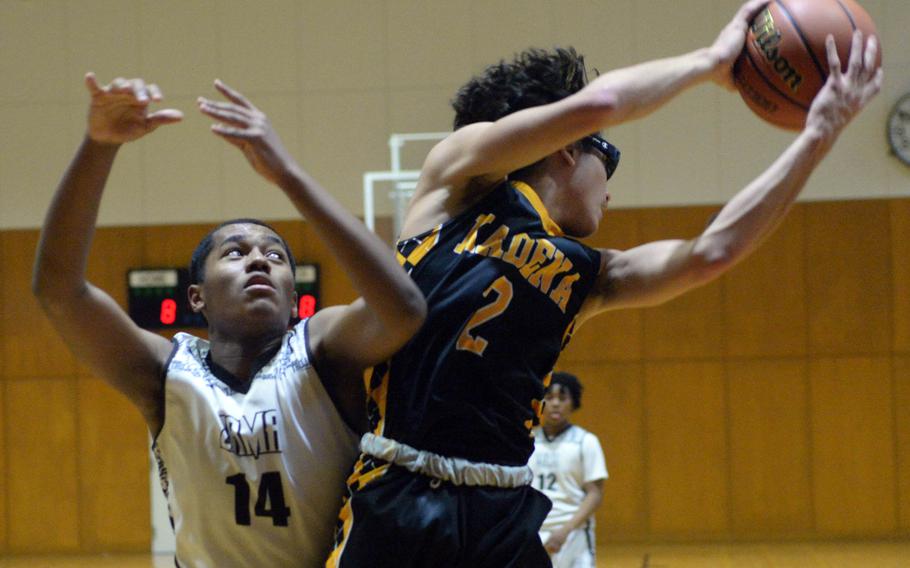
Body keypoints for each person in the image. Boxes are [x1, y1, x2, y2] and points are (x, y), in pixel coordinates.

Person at [326, 0, 882, 565]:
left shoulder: (591, 275)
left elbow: (714, 251)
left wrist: (817, 137)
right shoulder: (459, 180)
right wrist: (710, 62)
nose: (610, 192)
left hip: (502, 510)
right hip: (401, 492)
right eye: (607, 160)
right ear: (569, 147)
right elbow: (601, 102)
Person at [32, 73, 426, 567]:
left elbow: (404, 309)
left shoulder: (321, 348)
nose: (259, 261)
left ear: (293, 295)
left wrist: (287, 174)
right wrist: (98, 145)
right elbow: (59, 292)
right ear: (195, 296)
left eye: (276, 256)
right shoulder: (166, 369)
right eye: (236, 253)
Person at [529, 372, 607, 568]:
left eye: (562, 398)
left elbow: (595, 493)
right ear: (541, 403)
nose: (555, 403)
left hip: (574, 535)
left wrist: (566, 530)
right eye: (549, 397)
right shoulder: (528, 443)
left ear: (573, 403)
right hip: (534, 533)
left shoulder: (585, 442)